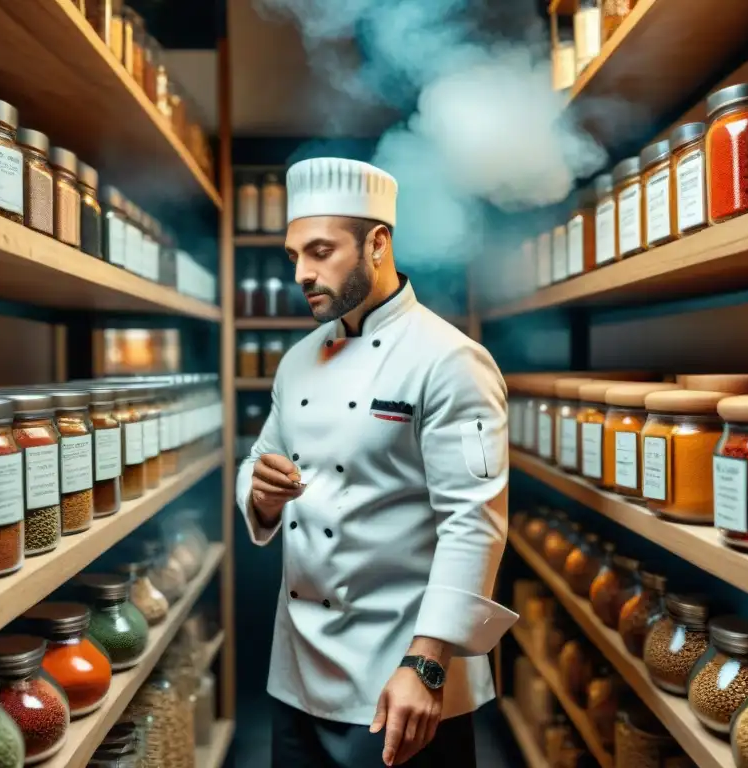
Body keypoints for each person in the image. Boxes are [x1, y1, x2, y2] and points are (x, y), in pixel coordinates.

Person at [236, 157, 517, 768]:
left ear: (377, 243)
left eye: (320, 252)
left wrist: (426, 664)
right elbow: (259, 461)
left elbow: (474, 524)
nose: (303, 275)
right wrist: (260, 492)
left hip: (402, 675)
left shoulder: (450, 360)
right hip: (298, 670)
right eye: (293, 257)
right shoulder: (298, 361)